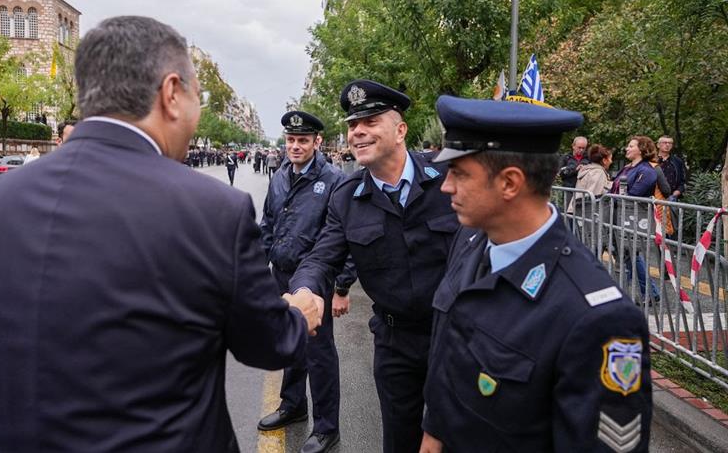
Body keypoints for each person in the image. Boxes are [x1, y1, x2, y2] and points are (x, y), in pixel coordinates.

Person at [0, 16, 322, 453]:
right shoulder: (212, 210)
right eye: (198, 97)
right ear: (171, 93)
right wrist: (299, 315)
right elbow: (268, 345)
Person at [421, 96, 652, 452]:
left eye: (459, 173)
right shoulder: (472, 241)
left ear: (510, 183)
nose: (446, 186)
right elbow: (448, 367)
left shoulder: (599, 319)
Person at [290, 80, 459, 453]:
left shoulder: (447, 178)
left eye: (370, 120)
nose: (358, 132)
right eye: (352, 125)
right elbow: (321, 257)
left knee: (460, 438)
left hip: (455, 337)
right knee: (401, 442)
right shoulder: (347, 197)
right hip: (395, 344)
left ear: (400, 131)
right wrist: (304, 291)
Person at [258, 111, 357, 453]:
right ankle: (293, 405)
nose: (295, 146)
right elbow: (268, 225)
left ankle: (327, 426)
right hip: (281, 274)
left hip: (316, 281)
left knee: (319, 353)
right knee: (290, 344)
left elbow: (348, 237)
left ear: (317, 142)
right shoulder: (280, 174)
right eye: (290, 140)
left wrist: (342, 286)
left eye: (302, 140)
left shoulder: (333, 180)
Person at [610, 136, 667, 302]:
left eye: (630, 146)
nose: (627, 149)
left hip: (632, 217)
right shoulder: (627, 168)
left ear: (641, 149)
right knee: (626, 255)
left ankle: (645, 293)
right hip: (618, 215)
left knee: (629, 253)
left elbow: (635, 193)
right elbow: (615, 189)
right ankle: (645, 292)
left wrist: (615, 198)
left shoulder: (647, 170)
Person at [566, 143, 613, 213]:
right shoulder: (598, 173)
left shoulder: (588, 169)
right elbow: (594, 194)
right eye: (610, 159)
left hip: (575, 210)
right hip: (585, 214)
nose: (611, 161)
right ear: (604, 160)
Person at [657, 135, 686, 202]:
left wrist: (674, 195)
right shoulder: (652, 160)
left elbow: (682, 183)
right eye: (664, 142)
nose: (667, 145)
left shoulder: (677, 162)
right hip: (653, 198)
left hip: (671, 198)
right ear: (658, 145)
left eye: (670, 143)